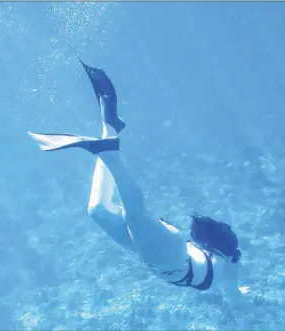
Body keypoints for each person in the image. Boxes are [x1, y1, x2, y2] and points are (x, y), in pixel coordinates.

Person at [28, 59, 250, 299]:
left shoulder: (219, 258)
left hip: (164, 249)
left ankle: (110, 127)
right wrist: (242, 297)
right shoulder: (228, 265)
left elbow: (233, 288)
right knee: (134, 215)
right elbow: (235, 295)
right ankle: (108, 152)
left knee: (98, 210)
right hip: (167, 259)